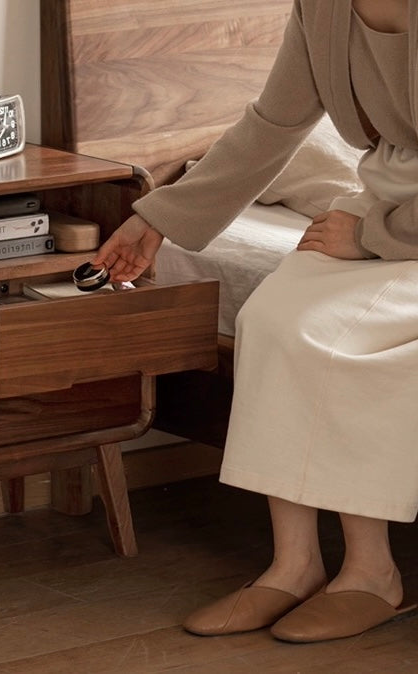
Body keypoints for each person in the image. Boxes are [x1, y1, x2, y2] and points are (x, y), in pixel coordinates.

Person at [92, 0, 418, 643]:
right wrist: (157, 217)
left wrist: (377, 235)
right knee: (270, 315)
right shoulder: (323, 8)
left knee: (336, 338)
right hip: (383, 203)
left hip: (394, 230)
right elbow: (274, 123)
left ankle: (372, 572)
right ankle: (292, 566)